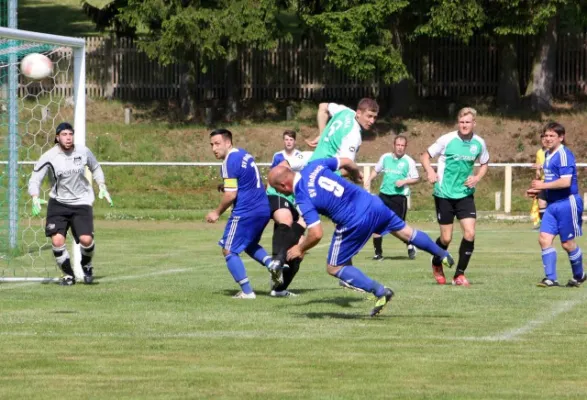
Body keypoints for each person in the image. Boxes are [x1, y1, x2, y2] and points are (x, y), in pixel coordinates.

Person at [268, 157, 454, 317]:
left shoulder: (302, 196)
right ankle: (441, 254)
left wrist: (299, 248)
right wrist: (356, 174)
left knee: (334, 267)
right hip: (373, 203)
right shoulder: (314, 165)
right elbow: (348, 162)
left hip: (353, 221)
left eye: (278, 189)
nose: (280, 193)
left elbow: (316, 233)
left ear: (284, 185)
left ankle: (379, 291)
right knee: (407, 232)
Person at [27, 122, 113, 285]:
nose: (68, 137)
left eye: (70, 134)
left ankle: (86, 265)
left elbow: (96, 167)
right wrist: (34, 196)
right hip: (58, 203)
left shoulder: (83, 151)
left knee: (86, 240)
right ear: (57, 138)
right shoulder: (49, 156)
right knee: (57, 241)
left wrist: (101, 185)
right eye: (64, 134)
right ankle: (68, 275)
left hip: (82, 202)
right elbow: (35, 178)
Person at [420, 107, 489, 287]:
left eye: (468, 122)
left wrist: (476, 178)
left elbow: (484, 164)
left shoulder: (479, 143)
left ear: (474, 123)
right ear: (458, 123)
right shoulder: (447, 139)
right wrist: (430, 171)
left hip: (465, 194)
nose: (464, 125)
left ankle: (459, 275)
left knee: (470, 233)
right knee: (446, 239)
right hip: (444, 194)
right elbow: (425, 156)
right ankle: (436, 262)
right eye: (461, 122)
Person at [206, 128, 274, 299]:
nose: (214, 148)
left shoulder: (229, 162)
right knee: (248, 244)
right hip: (263, 209)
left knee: (228, 250)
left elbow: (231, 194)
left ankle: (247, 292)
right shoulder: (244, 154)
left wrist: (216, 212)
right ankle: (273, 264)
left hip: (246, 211)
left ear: (228, 142)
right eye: (211, 145)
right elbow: (245, 182)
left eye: (217, 144)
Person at [527, 122, 585, 287]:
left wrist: (542, 186)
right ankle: (551, 278)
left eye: (552, 136)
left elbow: (566, 182)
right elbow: (551, 181)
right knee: (544, 239)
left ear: (561, 137)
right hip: (552, 205)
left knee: (567, 244)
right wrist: (537, 192)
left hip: (567, 203)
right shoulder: (547, 155)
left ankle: (579, 275)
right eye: (546, 135)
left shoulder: (564, 154)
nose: (548, 139)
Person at [265, 130, 312, 297]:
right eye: (286, 139)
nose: (288, 142)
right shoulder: (279, 157)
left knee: (300, 249)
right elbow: (274, 176)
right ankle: (277, 260)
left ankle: (279, 288)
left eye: (291, 139)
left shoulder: (304, 157)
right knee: (284, 220)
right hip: (279, 197)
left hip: (295, 200)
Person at [365, 135, 419, 261]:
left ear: (405, 147)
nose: (400, 148)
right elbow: (376, 170)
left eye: (402, 145)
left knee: (398, 228)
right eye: (398, 145)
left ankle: (410, 244)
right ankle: (378, 253)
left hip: (399, 198)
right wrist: (369, 180)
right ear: (394, 146)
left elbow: (416, 178)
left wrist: (404, 181)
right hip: (384, 195)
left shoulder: (408, 161)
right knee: (377, 223)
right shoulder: (385, 158)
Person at [306, 99, 378, 175]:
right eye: (369, 116)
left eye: (374, 117)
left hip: (311, 166)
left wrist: (322, 134)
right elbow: (347, 166)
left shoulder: (345, 111)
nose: (372, 121)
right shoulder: (353, 135)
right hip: (321, 174)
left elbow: (323, 107)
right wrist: (355, 174)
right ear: (359, 113)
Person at [531, 133, 548, 227]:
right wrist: (536, 178)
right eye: (543, 140)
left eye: (546, 139)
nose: (544, 141)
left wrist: (541, 166)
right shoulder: (539, 152)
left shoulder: (554, 152)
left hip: (553, 181)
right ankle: (543, 225)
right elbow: (538, 167)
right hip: (542, 181)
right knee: (541, 202)